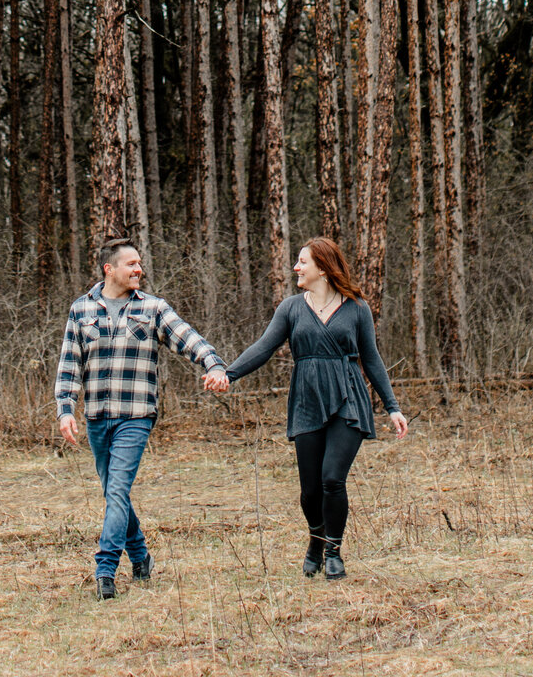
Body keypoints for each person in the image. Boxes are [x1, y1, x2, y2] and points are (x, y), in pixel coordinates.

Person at [55, 237, 230, 599]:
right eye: (131, 264)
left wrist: (213, 362)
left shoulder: (152, 308)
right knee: (113, 493)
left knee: (116, 490)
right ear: (109, 269)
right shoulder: (81, 310)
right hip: (97, 417)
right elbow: (70, 363)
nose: (139, 269)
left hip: (136, 415)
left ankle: (105, 570)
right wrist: (65, 409)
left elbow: (187, 337)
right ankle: (141, 556)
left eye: (139, 263)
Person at [224, 237, 407, 580]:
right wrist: (227, 373)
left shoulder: (356, 308)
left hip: (348, 399)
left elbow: (371, 358)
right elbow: (263, 348)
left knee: (332, 479)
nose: (296, 267)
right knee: (309, 491)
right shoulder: (291, 308)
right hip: (307, 400)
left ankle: (334, 551)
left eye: (302, 261)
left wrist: (392, 407)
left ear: (322, 267)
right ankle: (316, 540)